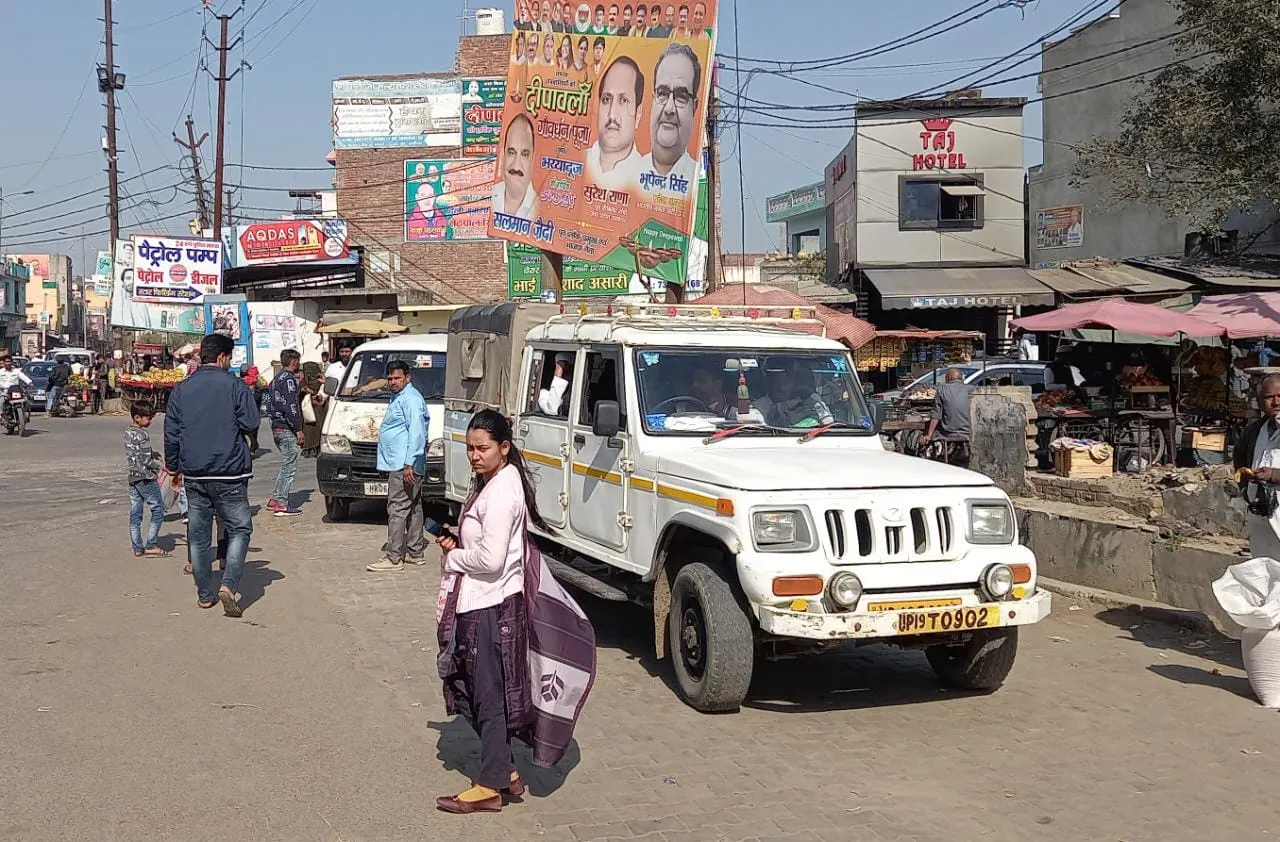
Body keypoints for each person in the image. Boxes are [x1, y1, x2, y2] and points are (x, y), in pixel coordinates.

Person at [434, 410, 596, 814]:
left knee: (488, 695)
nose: (474, 455)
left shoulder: (504, 490)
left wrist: (455, 558)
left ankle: (489, 785)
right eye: (470, 448)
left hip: (489, 606)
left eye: (483, 448)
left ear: (504, 448)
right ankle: (503, 770)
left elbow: (489, 561)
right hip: (483, 601)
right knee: (483, 691)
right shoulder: (492, 483)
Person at [164, 333, 259, 617]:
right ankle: (228, 584)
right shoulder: (235, 386)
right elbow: (251, 421)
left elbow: (171, 433)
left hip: (194, 472)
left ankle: (205, 595)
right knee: (240, 528)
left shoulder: (181, 389)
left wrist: (173, 467)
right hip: (230, 472)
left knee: (198, 534)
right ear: (222, 357)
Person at [367, 361, 429, 573]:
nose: (393, 382)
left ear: (407, 377)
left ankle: (393, 557)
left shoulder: (411, 400)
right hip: (402, 463)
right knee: (413, 508)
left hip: (404, 465)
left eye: (397, 378)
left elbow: (417, 433)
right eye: (391, 378)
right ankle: (415, 552)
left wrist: (409, 463)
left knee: (397, 508)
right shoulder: (399, 397)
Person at [639, 44, 701, 189]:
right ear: (653, 99)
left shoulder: (697, 182)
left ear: (694, 107)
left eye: (681, 96)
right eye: (662, 93)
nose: (669, 108)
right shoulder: (626, 177)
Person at [1235, 375, 1280, 559]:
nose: (1276, 402)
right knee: (1265, 564)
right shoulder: (1255, 430)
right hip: (1261, 510)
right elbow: (1239, 456)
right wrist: (1246, 487)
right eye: (1270, 397)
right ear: (1260, 402)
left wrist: (1274, 475)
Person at [585, 56, 646, 188]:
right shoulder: (577, 162)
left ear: (638, 113)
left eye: (623, 100)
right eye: (606, 99)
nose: (612, 114)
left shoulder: (646, 179)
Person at [125, 402, 170, 558]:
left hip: (133, 477)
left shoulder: (128, 432)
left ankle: (137, 547)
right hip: (145, 478)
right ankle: (151, 544)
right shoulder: (143, 434)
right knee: (158, 510)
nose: (150, 421)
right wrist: (159, 468)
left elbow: (135, 452)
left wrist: (152, 453)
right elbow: (145, 460)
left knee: (135, 513)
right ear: (137, 417)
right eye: (148, 418)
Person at [266, 349, 305, 517]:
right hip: (286, 427)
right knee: (290, 465)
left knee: (286, 464)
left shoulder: (276, 379)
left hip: (276, 425)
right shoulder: (289, 380)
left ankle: (276, 498)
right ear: (293, 361)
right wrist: (298, 429)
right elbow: (291, 407)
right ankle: (281, 502)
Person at [753, 363, 834, 428]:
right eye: (776, 382)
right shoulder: (757, 407)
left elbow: (828, 423)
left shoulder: (811, 401)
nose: (781, 387)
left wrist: (808, 397)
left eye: (786, 382)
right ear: (768, 382)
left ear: (794, 383)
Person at [492, 114, 538, 221]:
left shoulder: (541, 209)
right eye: (511, 153)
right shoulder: (488, 197)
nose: (516, 166)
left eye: (524, 154)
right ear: (503, 155)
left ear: (533, 159)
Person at [922, 368, 971, 444]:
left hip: (949, 433)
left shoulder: (942, 389)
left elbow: (936, 415)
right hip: (969, 432)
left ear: (949, 378)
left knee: (924, 436)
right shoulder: (971, 389)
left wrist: (929, 435)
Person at [300, 360, 326, 458]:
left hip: (318, 409)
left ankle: (315, 448)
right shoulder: (305, 382)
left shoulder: (321, 381)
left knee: (317, 428)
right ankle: (311, 449)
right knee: (311, 429)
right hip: (309, 410)